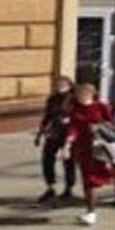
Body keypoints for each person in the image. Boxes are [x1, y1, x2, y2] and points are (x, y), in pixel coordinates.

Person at [63, 81, 115, 227]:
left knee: (92, 179)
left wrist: (99, 129)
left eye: (83, 93)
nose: (80, 96)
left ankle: (91, 211)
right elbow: (73, 128)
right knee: (88, 180)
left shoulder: (101, 106)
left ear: (91, 94)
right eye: (78, 94)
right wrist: (67, 145)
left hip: (99, 147)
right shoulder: (76, 109)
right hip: (83, 149)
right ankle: (90, 211)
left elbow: (111, 125)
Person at [34, 75, 76, 204]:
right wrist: (39, 133)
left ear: (69, 85)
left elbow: (78, 115)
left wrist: (70, 119)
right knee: (47, 159)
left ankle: (69, 188)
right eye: (58, 84)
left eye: (62, 84)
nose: (59, 86)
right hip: (54, 132)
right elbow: (47, 116)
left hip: (68, 133)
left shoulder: (73, 99)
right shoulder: (53, 99)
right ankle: (50, 187)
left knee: (68, 161)